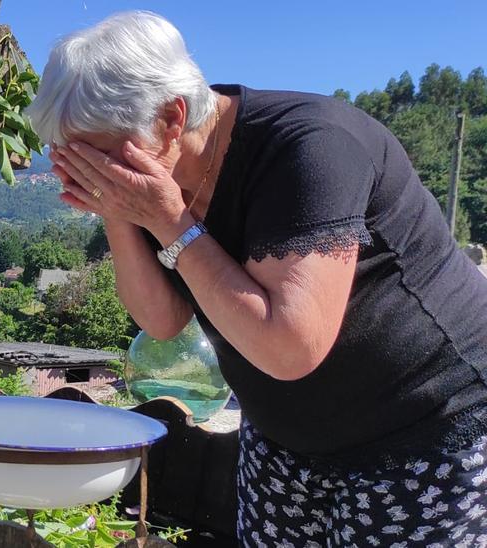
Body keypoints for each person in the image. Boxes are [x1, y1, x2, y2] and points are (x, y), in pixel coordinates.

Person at [25, 10, 487, 547]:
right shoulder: (157, 174)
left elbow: (291, 347)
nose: (89, 172)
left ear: (172, 117)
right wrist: (116, 210)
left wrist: (170, 222)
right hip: (287, 440)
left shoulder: (310, 149)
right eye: (72, 159)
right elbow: (161, 320)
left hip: (425, 429)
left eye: (98, 155)